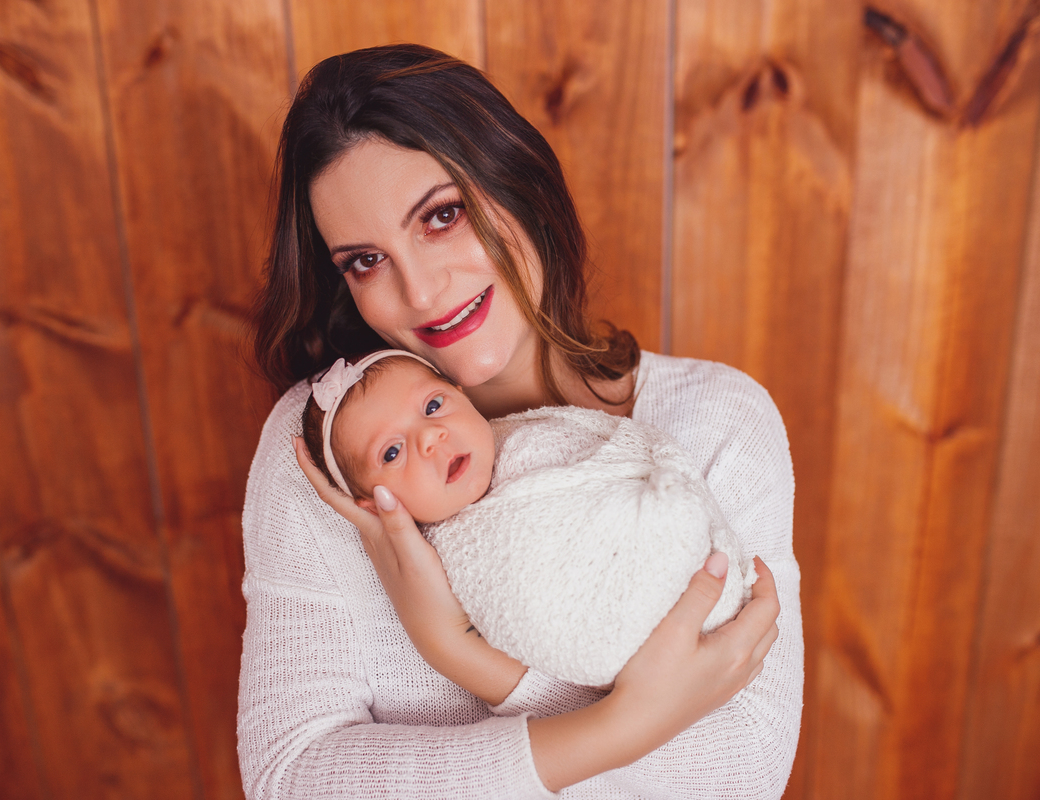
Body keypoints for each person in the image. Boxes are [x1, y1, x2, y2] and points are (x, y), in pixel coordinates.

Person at [241, 43, 802, 798]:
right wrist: (621, 727)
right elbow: (290, 779)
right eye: (365, 261)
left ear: (518, 181)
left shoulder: (718, 425)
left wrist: (470, 656)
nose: (422, 290)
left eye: (442, 216)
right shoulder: (328, 454)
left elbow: (738, 777)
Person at [299, 348, 756, 687]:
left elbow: (623, 450)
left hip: (690, 569)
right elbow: (537, 611)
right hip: (623, 622)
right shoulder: (453, 561)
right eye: (393, 452)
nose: (431, 438)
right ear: (375, 505)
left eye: (433, 406)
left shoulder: (528, 438)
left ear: (461, 393)